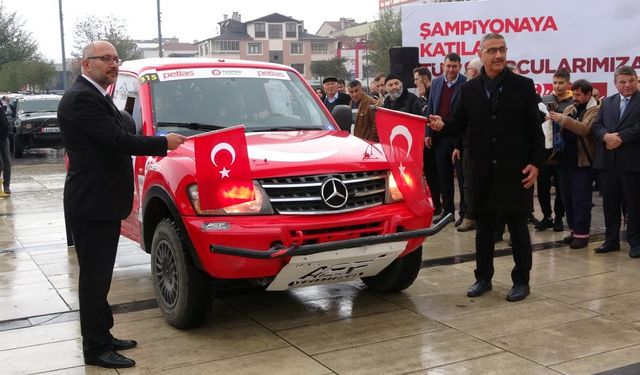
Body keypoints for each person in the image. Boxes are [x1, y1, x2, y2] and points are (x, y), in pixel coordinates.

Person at [58, 41, 187, 368]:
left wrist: (124, 115)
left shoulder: (101, 97)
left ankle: (104, 334)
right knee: (94, 279)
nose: (113, 64)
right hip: (92, 203)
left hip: (102, 201)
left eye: (116, 59)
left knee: (100, 278)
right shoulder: (82, 99)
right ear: (86, 65)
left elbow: (123, 126)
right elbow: (117, 140)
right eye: (105, 59)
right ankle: (96, 348)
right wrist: (163, 143)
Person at [428, 33, 545, 302]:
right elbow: (459, 123)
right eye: (492, 50)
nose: (498, 56)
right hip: (480, 168)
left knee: (517, 226)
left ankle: (521, 281)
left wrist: (536, 164)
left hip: (516, 169)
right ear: (480, 54)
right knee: (483, 227)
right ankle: (483, 278)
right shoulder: (469, 89)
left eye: (502, 50)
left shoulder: (523, 86)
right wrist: (442, 126)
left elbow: (535, 132)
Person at [591, 65, 640, 257]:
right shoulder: (607, 102)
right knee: (610, 204)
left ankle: (635, 242)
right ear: (615, 83)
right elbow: (596, 125)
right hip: (608, 162)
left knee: (634, 205)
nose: (627, 85)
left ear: (636, 80)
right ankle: (611, 240)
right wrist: (605, 137)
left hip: (632, 162)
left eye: (631, 81)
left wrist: (620, 137)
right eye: (623, 81)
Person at [548, 79, 598, 249]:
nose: (575, 97)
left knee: (581, 200)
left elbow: (584, 129)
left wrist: (562, 119)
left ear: (588, 94)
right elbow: (561, 128)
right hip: (565, 162)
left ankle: (582, 235)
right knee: (567, 199)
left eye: (578, 95)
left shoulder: (595, 110)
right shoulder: (571, 108)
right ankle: (574, 230)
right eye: (573, 94)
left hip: (582, 164)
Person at [425, 53, 468, 225]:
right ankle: (448, 211)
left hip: (458, 138)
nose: (450, 70)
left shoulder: (466, 84)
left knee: (463, 178)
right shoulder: (436, 83)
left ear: (460, 66)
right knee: (444, 176)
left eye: (454, 66)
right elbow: (430, 106)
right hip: (439, 137)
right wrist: (428, 132)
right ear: (443, 66)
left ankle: (464, 213)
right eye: (448, 66)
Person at [537, 69, 573, 232]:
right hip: (545, 149)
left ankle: (559, 217)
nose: (557, 86)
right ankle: (546, 216)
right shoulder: (544, 100)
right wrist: (543, 120)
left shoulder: (572, 102)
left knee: (561, 187)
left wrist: (561, 120)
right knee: (543, 185)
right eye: (555, 82)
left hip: (563, 150)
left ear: (568, 84)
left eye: (561, 83)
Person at [414, 67, 441, 216]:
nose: (415, 82)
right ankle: (436, 204)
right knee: (430, 174)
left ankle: (440, 205)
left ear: (425, 79)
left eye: (417, 79)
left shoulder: (434, 94)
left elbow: (428, 115)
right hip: (424, 141)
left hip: (436, 139)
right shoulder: (420, 97)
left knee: (437, 174)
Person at [0, 96, 11, 198]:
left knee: (7, 162)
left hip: (3, 136)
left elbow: (4, 113)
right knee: (1, 164)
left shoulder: (1, 101)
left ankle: (6, 186)